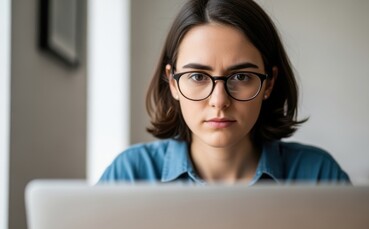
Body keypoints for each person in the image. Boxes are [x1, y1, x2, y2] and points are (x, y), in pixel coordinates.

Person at [99, 0, 350, 185]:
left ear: (269, 83)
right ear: (173, 83)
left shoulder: (318, 175)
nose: (219, 101)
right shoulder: (130, 174)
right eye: (197, 76)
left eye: (241, 77)